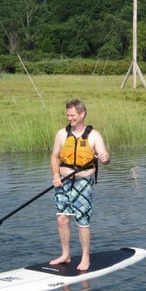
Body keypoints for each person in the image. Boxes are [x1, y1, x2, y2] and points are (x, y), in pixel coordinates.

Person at [50, 99, 110, 271]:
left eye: (73, 115)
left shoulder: (94, 135)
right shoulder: (62, 134)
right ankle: (65, 254)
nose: (70, 118)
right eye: (68, 115)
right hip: (63, 181)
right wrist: (55, 175)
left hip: (83, 182)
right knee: (62, 219)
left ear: (82, 114)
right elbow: (54, 156)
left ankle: (85, 257)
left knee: (82, 221)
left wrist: (105, 158)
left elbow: (105, 156)